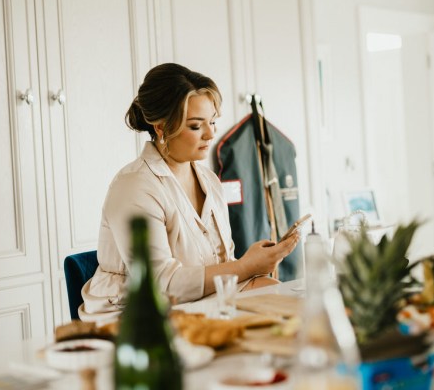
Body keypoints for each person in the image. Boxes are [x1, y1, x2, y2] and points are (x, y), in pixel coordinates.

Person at [79, 63, 300, 321]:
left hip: (199, 301)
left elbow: (224, 265)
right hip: (135, 315)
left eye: (213, 122)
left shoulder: (210, 181)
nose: (210, 134)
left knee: (284, 300)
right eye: (196, 126)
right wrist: (247, 266)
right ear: (161, 128)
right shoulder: (133, 187)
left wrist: (256, 266)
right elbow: (162, 285)